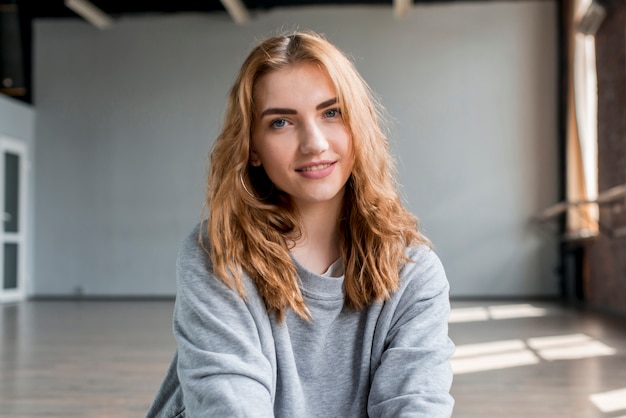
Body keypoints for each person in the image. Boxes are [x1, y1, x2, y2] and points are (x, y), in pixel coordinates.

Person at [147, 30, 454, 418]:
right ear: (252, 149)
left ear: (357, 123)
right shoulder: (218, 253)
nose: (314, 143)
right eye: (281, 123)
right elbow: (230, 406)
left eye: (331, 112)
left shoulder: (414, 272)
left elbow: (416, 406)